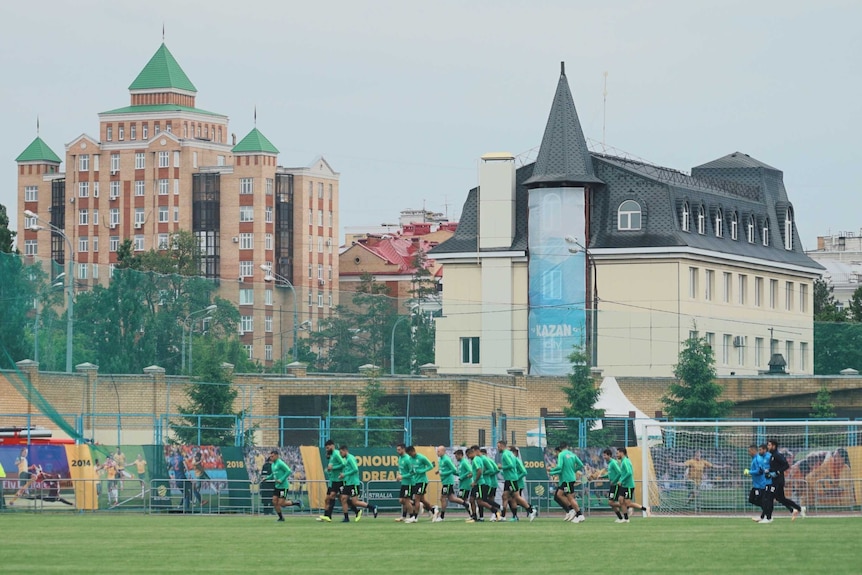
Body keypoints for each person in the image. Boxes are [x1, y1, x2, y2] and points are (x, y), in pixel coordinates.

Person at [498, 441, 537, 521]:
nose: (497, 448)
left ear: (502, 446)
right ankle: (503, 516)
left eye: (498, 446)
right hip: (509, 478)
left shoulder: (506, 454)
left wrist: (502, 467)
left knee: (516, 497)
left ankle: (531, 510)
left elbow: (511, 465)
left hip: (511, 479)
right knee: (505, 496)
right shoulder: (510, 454)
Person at [337, 445, 378, 522]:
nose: (340, 454)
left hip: (353, 483)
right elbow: (348, 470)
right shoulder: (346, 459)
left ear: (345, 451)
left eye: (341, 452)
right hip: (348, 483)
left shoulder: (350, 458)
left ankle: (372, 507)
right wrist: (343, 476)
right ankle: (346, 517)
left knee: (354, 502)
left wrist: (345, 474)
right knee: (343, 499)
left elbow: (355, 469)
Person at [765, 438, 802, 521]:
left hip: (778, 481)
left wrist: (777, 472)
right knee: (781, 499)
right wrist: (768, 472)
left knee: (770, 497)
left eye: (769, 445)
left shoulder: (777, 455)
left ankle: (768, 518)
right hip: (775, 480)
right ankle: (797, 509)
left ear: (774, 446)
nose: (768, 446)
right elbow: (775, 467)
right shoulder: (773, 456)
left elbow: (786, 465)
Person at [547, 442, 584, 522]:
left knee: (570, 498)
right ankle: (571, 510)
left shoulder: (561, 454)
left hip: (567, 479)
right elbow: (581, 464)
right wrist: (573, 470)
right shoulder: (572, 454)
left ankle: (579, 514)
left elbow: (560, 467)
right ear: (567, 446)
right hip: (570, 478)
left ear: (560, 448)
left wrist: (552, 470)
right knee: (559, 495)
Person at [433, 445, 469, 522]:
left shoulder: (446, 459)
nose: (437, 452)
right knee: (451, 498)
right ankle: (466, 504)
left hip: (448, 482)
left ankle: (442, 516)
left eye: (439, 451)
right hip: (445, 481)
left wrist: (443, 473)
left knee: (442, 498)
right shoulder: (440, 460)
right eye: (437, 451)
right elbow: (443, 469)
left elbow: (453, 469)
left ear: (443, 451)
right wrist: (439, 471)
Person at [616, 447, 649, 521]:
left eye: (617, 453)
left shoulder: (625, 461)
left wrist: (621, 480)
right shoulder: (623, 461)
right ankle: (626, 519)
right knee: (621, 500)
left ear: (622, 453)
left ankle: (646, 509)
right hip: (624, 485)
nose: (616, 455)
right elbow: (624, 473)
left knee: (628, 503)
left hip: (628, 486)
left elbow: (629, 473)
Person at [470, 445, 502, 521]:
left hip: (486, 482)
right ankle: (480, 517)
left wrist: (482, 473)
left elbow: (494, 469)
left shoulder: (483, 459)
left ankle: (497, 509)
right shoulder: (478, 459)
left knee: (483, 500)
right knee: (477, 500)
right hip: (480, 482)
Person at [406, 445, 437, 522]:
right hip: (416, 481)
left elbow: (430, 466)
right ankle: (434, 510)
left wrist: (422, 470)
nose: (410, 455)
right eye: (408, 454)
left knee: (417, 499)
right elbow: (412, 471)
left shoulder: (421, 457)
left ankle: (415, 517)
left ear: (413, 451)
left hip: (422, 481)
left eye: (410, 453)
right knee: (422, 499)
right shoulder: (410, 459)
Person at [269, 450, 301, 522]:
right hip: (277, 486)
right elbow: (273, 474)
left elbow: (288, 471)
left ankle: (296, 502)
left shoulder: (280, 463)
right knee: (274, 501)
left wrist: (281, 479)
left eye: (272, 456)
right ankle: (281, 518)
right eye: (270, 456)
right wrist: (267, 478)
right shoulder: (273, 465)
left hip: (283, 487)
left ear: (277, 456)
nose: (271, 457)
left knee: (281, 503)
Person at [744, 444, 771, 523]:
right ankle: (766, 512)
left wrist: (749, 472)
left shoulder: (758, 459)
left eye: (749, 451)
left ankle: (767, 514)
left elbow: (760, 471)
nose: (748, 453)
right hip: (757, 484)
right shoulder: (754, 459)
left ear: (753, 450)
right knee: (752, 499)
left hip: (761, 485)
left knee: (757, 500)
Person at [317, 439, 342, 522]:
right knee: (327, 499)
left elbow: (343, 464)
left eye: (328, 448)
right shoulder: (331, 455)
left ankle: (356, 510)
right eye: (326, 448)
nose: (327, 450)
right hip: (332, 481)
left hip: (338, 480)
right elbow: (331, 465)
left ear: (332, 446)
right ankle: (326, 516)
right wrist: (328, 469)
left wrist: (333, 468)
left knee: (340, 498)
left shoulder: (337, 454)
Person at [510, 446, 537, 521]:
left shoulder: (517, 460)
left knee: (515, 498)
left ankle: (530, 509)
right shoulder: (513, 460)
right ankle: (516, 515)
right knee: (514, 499)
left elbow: (524, 472)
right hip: (514, 482)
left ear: (514, 453)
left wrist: (516, 478)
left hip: (518, 483)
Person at [455, 448, 478, 522]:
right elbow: (461, 473)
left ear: (460, 455)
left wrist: (462, 477)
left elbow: (470, 471)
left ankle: (473, 512)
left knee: (461, 499)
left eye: (456, 456)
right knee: (463, 500)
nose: (456, 458)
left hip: (466, 484)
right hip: (462, 484)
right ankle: (472, 514)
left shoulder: (464, 462)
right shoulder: (461, 463)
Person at [395, 443, 415, 522]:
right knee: (401, 500)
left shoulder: (408, 459)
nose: (398, 451)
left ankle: (412, 516)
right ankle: (404, 515)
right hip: (404, 483)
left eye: (399, 449)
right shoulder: (400, 458)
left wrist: (402, 476)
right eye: (397, 450)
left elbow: (412, 472)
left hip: (410, 483)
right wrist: (398, 476)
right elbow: (401, 470)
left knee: (406, 500)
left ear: (403, 449)